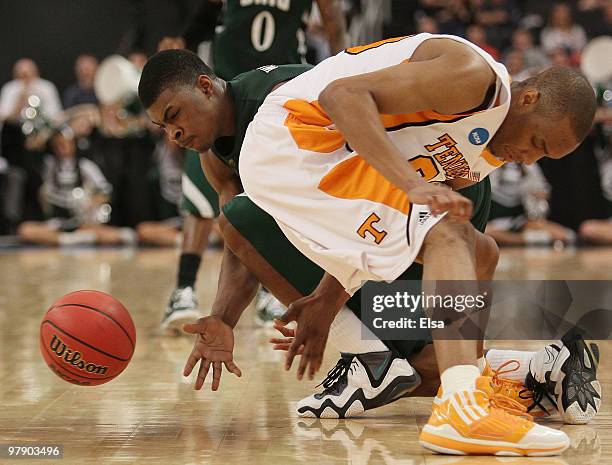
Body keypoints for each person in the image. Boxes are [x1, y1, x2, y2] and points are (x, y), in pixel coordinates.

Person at [142, 35, 595, 456]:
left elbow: (372, 217)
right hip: (298, 140)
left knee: (479, 253)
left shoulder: (487, 146)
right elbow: (342, 98)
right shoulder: (473, 78)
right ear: (529, 98)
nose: (530, 158)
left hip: (332, 159)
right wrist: (411, 185)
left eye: (543, 157)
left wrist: (329, 292)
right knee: (448, 236)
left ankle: (485, 386)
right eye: (536, 142)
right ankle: (447, 399)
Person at [162, 0, 348, 332]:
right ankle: (186, 288)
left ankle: (276, 292)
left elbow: (332, 17)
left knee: (278, 198)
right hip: (231, 89)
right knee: (217, 199)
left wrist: (342, 66)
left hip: (282, 88)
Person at [17, 127, 136, 246]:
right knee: (26, 230)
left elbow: (107, 192)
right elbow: (32, 152)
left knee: (112, 234)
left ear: (74, 144)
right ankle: (72, 239)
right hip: (57, 222)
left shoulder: (85, 166)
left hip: (82, 220)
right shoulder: (48, 165)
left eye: (66, 144)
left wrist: (90, 202)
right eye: (58, 144)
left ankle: (75, 237)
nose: (62, 148)